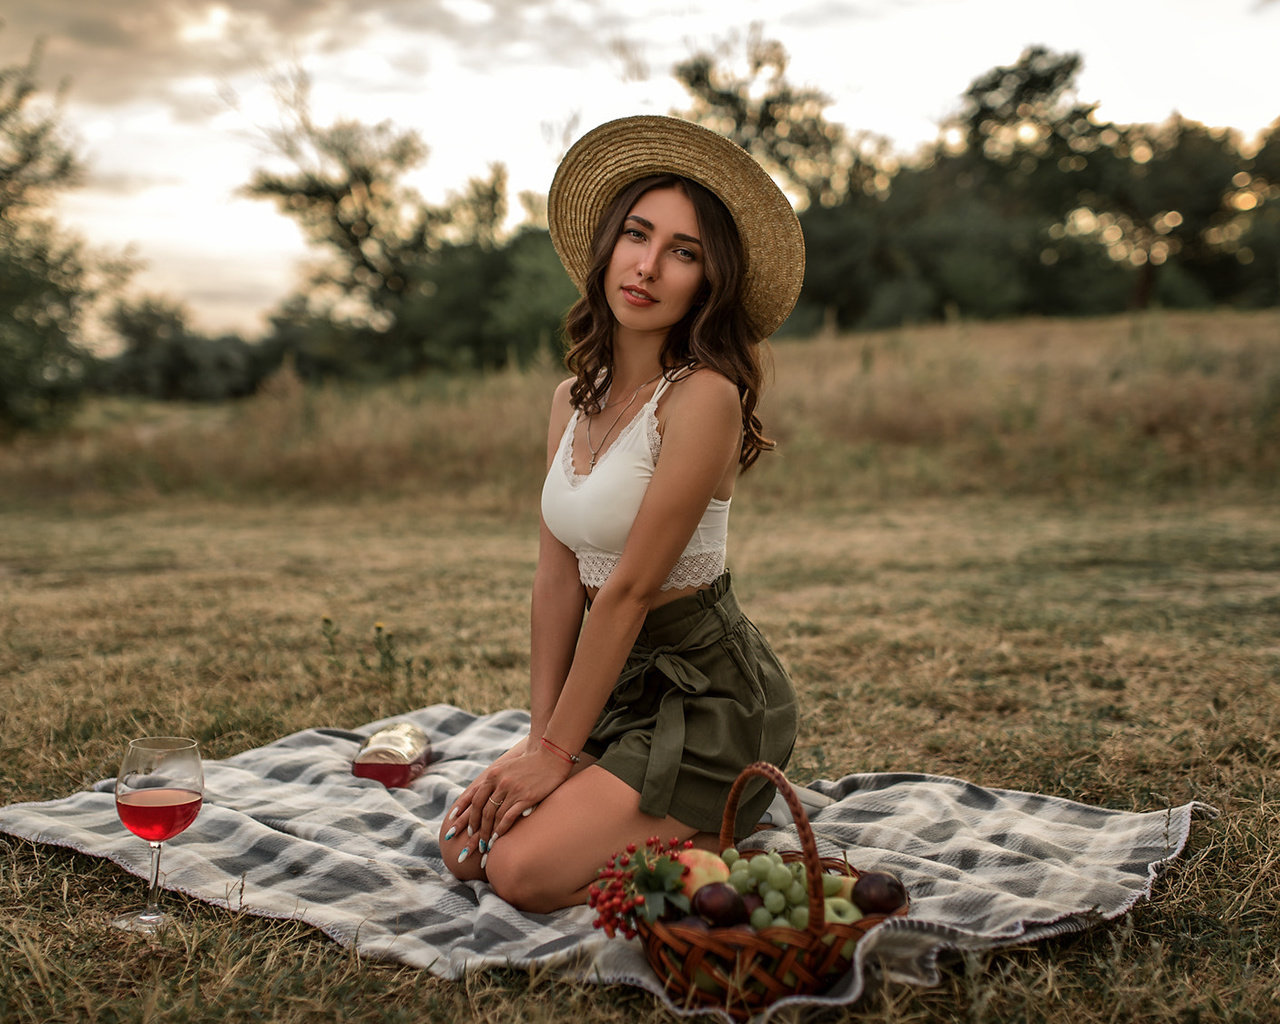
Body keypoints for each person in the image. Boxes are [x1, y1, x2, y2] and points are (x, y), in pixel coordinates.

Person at [439, 115, 805, 913]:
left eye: (684, 251)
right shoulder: (570, 400)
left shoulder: (704, 398)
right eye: (637, 235)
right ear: (606, 247)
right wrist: (542, 743)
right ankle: (623, 801)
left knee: (519, 874)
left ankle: (723, 815)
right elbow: (557, 575)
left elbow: (631, 592)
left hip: (709, 695)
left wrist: (558, 755)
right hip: (615, 685)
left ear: (710, 281)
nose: (647, 266)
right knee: (465, 849)